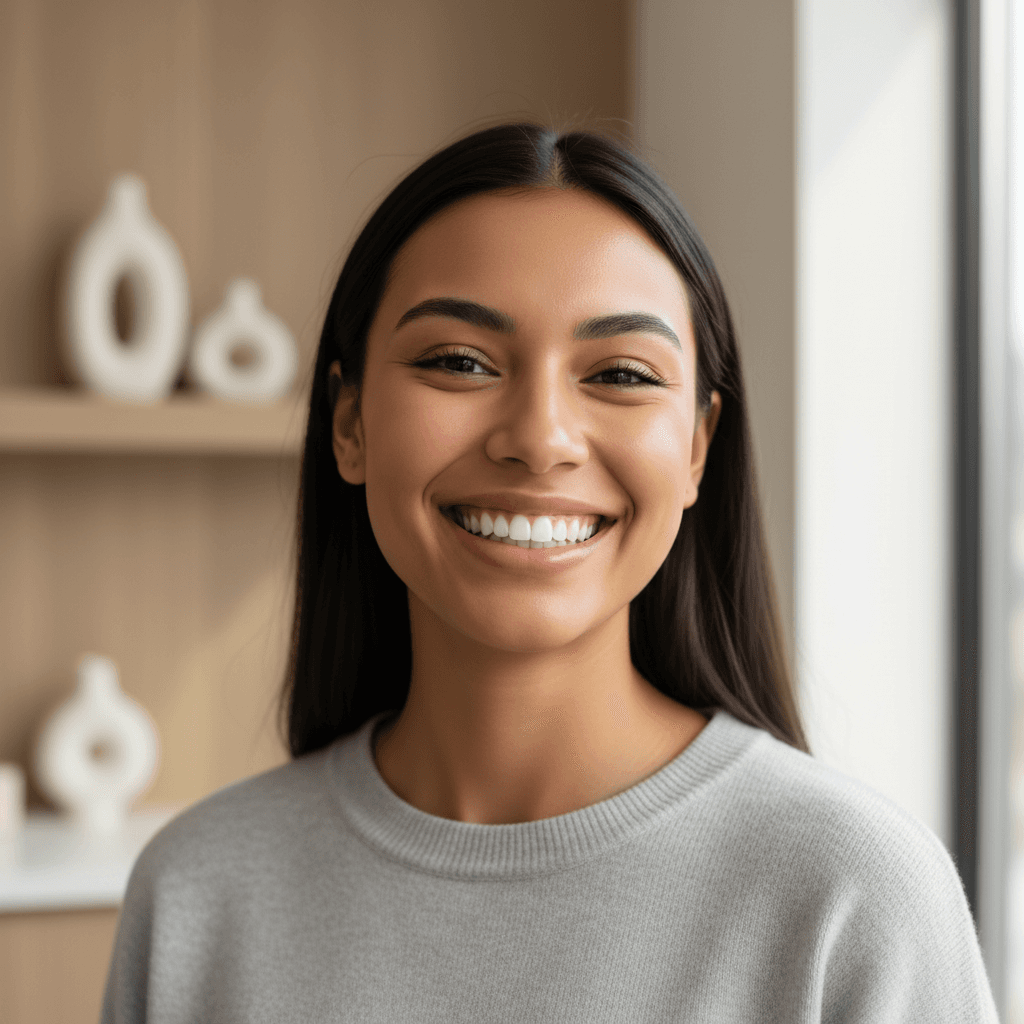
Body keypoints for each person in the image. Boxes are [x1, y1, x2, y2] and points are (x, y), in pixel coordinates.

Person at [101, 122, 1000, 1022]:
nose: (538, 438)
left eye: (619, 373)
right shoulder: (197, 893)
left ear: (696, 447)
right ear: (349, 424)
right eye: (458, 362)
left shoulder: (854, 901)